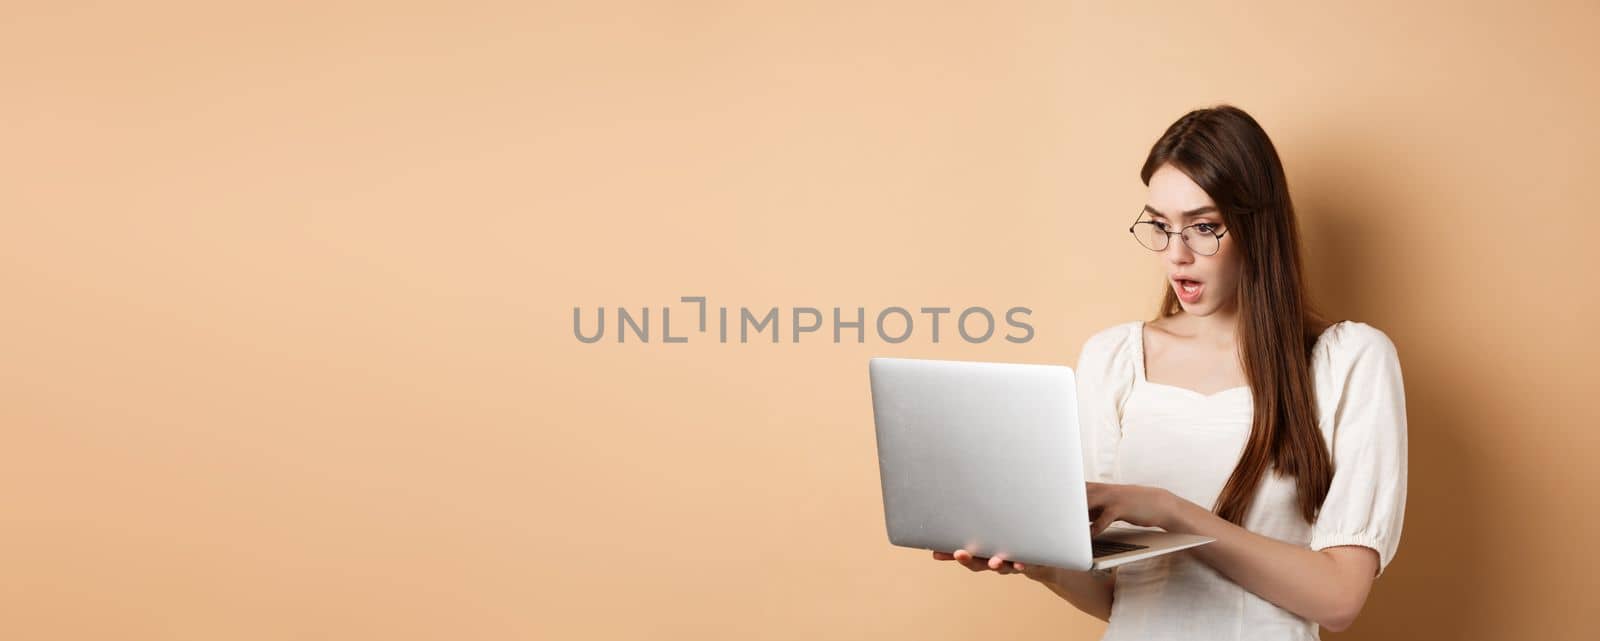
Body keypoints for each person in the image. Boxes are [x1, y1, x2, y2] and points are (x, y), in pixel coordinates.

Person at [931, 104, 1408, 639]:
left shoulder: (1350, 359)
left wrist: (1167, 511)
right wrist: (1041, 563)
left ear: (1258, 227)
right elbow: (1120, 597)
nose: (1176, 255)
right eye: (1160, 226)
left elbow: (1339, 599)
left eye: (1204, 227)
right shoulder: (1113, 358)